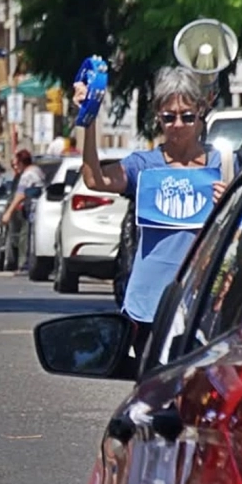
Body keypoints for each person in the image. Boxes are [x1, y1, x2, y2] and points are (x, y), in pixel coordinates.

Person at [76, 67, 223, 356]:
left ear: (201, 112)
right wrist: (88, 119)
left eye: (187, 116)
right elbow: (94, 179)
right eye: (169, 117)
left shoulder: (223, 164)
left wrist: (229, 200)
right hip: (147, 304)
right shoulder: (143, 165)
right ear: (158, 115)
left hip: (202, 301)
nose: (178, 124)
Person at [1, 149, 44, 274]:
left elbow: (20, 195)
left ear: (21, 162)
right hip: (37, 210)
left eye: (16, 164)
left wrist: (8, 213)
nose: (15, 168)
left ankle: (24, 265)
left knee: (25, 238)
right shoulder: (37, 171)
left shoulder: (27, 175)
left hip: (31, 210)